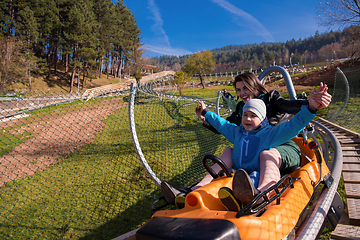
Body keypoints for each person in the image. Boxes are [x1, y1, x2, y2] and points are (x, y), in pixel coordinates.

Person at [161, 72, 331, 209]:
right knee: (228, 151)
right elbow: (223, 125)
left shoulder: (271, 102)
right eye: (238, 90)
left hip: (279, 145)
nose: (241, 93)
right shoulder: (240, 118)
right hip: (247, 158)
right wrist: (206, 114)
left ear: (253, 85)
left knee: (267, 154)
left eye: (245, 88)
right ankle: (195, 190)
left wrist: (311, 106)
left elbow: (291, 118)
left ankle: (263, 193)